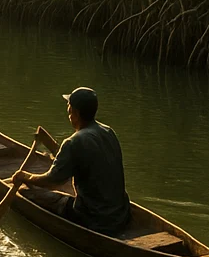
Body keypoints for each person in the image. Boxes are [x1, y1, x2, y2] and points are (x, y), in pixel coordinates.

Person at [13, 86, 131, 235]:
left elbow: (52, 181)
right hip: (122, 215)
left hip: (92, 219)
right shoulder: (108, 131)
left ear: (74, 113)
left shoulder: (73, 142)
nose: (67, 109)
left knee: (25, 192)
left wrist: (26, 177)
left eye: (69, 106)